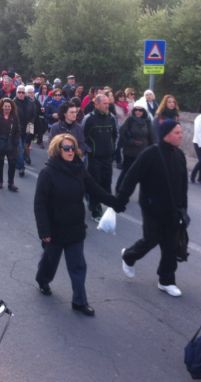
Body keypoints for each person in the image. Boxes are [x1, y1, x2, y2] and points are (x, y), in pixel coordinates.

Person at [34, 134, 124, 317]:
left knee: (78, 266)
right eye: (66, 148)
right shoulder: (48, 173)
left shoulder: (79, 169)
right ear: (57, 150)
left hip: (75, 227)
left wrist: (114, 202)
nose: (70, 151)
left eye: (72, 148)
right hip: (55, 229)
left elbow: (94, 189)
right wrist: (44, 231)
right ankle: (42, 280)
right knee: (50, 262)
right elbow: (39, 204)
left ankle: (79, 301)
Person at [117, 119, 190, 297]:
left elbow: (183, 185)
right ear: (166, 135)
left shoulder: (179, 155)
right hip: (152, 207)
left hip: (173, 210)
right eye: (177, 133)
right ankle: (129, 256)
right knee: (151, 239)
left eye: (181, 132)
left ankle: (166, 280)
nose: (181, 136)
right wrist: (121, 200)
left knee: (171, 245)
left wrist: (183, 209)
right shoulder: (150, 154)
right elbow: (131, 177)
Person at [82, 94, 118, 220]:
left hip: (107, 157)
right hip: (94, 158)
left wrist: (113, 150)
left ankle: (106, 205)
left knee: (106, 183)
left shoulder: (112, 118)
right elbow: (82, 138)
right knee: (95, 184)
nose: (107, 105)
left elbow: (115, 135)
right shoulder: (89, 119)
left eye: (108, 103)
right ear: (96, 104)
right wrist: (90, 151)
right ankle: (95, 209)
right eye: (104, 103)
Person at [116, 102, 155, 191]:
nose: (138, 112)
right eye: (136, 110)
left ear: (144, 111)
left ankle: (145, 195)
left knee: (143, 174)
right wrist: (132, 142)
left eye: (140, 110)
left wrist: (153, 150)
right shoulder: (130, 120)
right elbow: (122, 134)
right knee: (126, 171)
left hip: (143, 152)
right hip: (130, 152)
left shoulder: (148, 122)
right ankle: (119, 189)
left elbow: (152, 137)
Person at [0, 98, 21, 191]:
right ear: (2, 107)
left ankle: (11, 183)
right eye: (5, 106)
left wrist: (16, 141)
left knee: (12, 164)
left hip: (11, 144)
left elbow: (18, 130)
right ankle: (0, 181)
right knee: (0, 163)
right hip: (0, 143)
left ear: (11, 108)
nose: (7, 108)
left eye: (9, 106)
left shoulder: (14, 117)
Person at [14, 85, 36, 177]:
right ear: (16, 93)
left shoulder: (30, 103)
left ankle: (19, 162)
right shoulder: (12, 102)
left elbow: (33, 117)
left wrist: (30, 132)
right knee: (19, 148)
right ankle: (22, 167)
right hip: (16, 130)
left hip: (26, 129)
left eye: (23, 92)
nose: (21, 94)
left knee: (23, 147)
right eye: (19, 92)